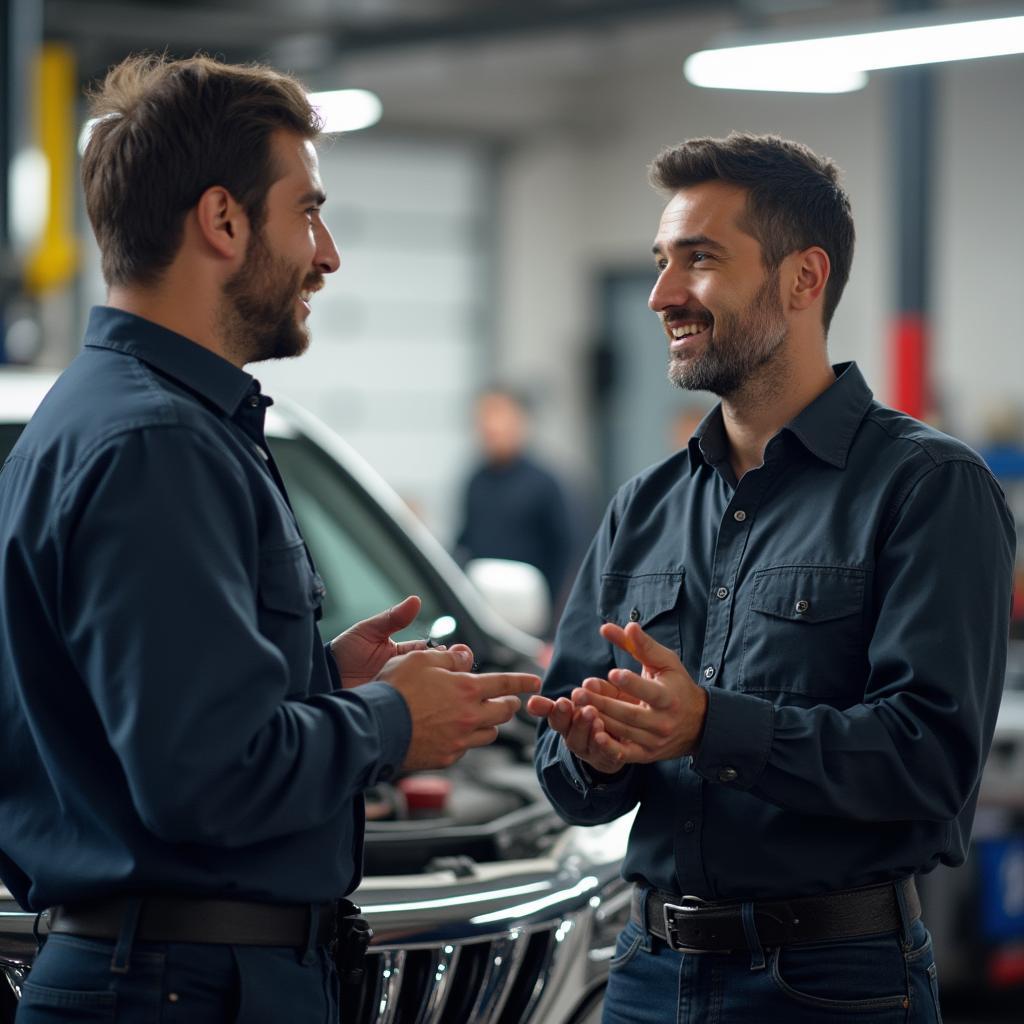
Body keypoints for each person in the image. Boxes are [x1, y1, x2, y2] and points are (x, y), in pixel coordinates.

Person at [0, 54, 540, 1023]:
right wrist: (388, 722)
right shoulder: (155, 443)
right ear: (221, 221)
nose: (327, 254)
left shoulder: (119, 420)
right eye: (307, 212)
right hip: (181, 988)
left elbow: (141, 722)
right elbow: (202, 777)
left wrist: (324, 683)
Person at [527, 132, 1015, 1022]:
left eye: (700, 259)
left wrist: (711, 725)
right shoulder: (645, 505)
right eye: (662, 261)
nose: (662, 294)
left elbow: (929, 761)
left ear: (803, 278)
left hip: (831, 983)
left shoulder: (928, 488)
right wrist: (592, 753)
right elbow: (563, 763)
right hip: (645, 974)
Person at [455, 387, 574, 610]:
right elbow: (465, 545)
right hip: (482, 610)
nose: (490, 427)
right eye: (483, 418)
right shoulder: (475, 482)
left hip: (532, 614)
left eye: (498, 416)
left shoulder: (544, 483)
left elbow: (566, 553)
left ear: (519, 422)